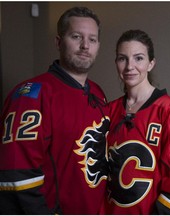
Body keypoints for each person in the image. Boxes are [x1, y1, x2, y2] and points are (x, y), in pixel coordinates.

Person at [0, 7, 109, 214]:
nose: (85, 45)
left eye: (92, 39)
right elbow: (17, 175)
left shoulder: (97, 92)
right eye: (76, 36)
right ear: (59, 42)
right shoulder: (31, 95)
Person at [100, 29, 170, 215]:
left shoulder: (168, 110)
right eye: (122, 58)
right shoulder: (110, 109)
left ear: (151, 63)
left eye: (138, 58)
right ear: (116, 63)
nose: (130, 66)